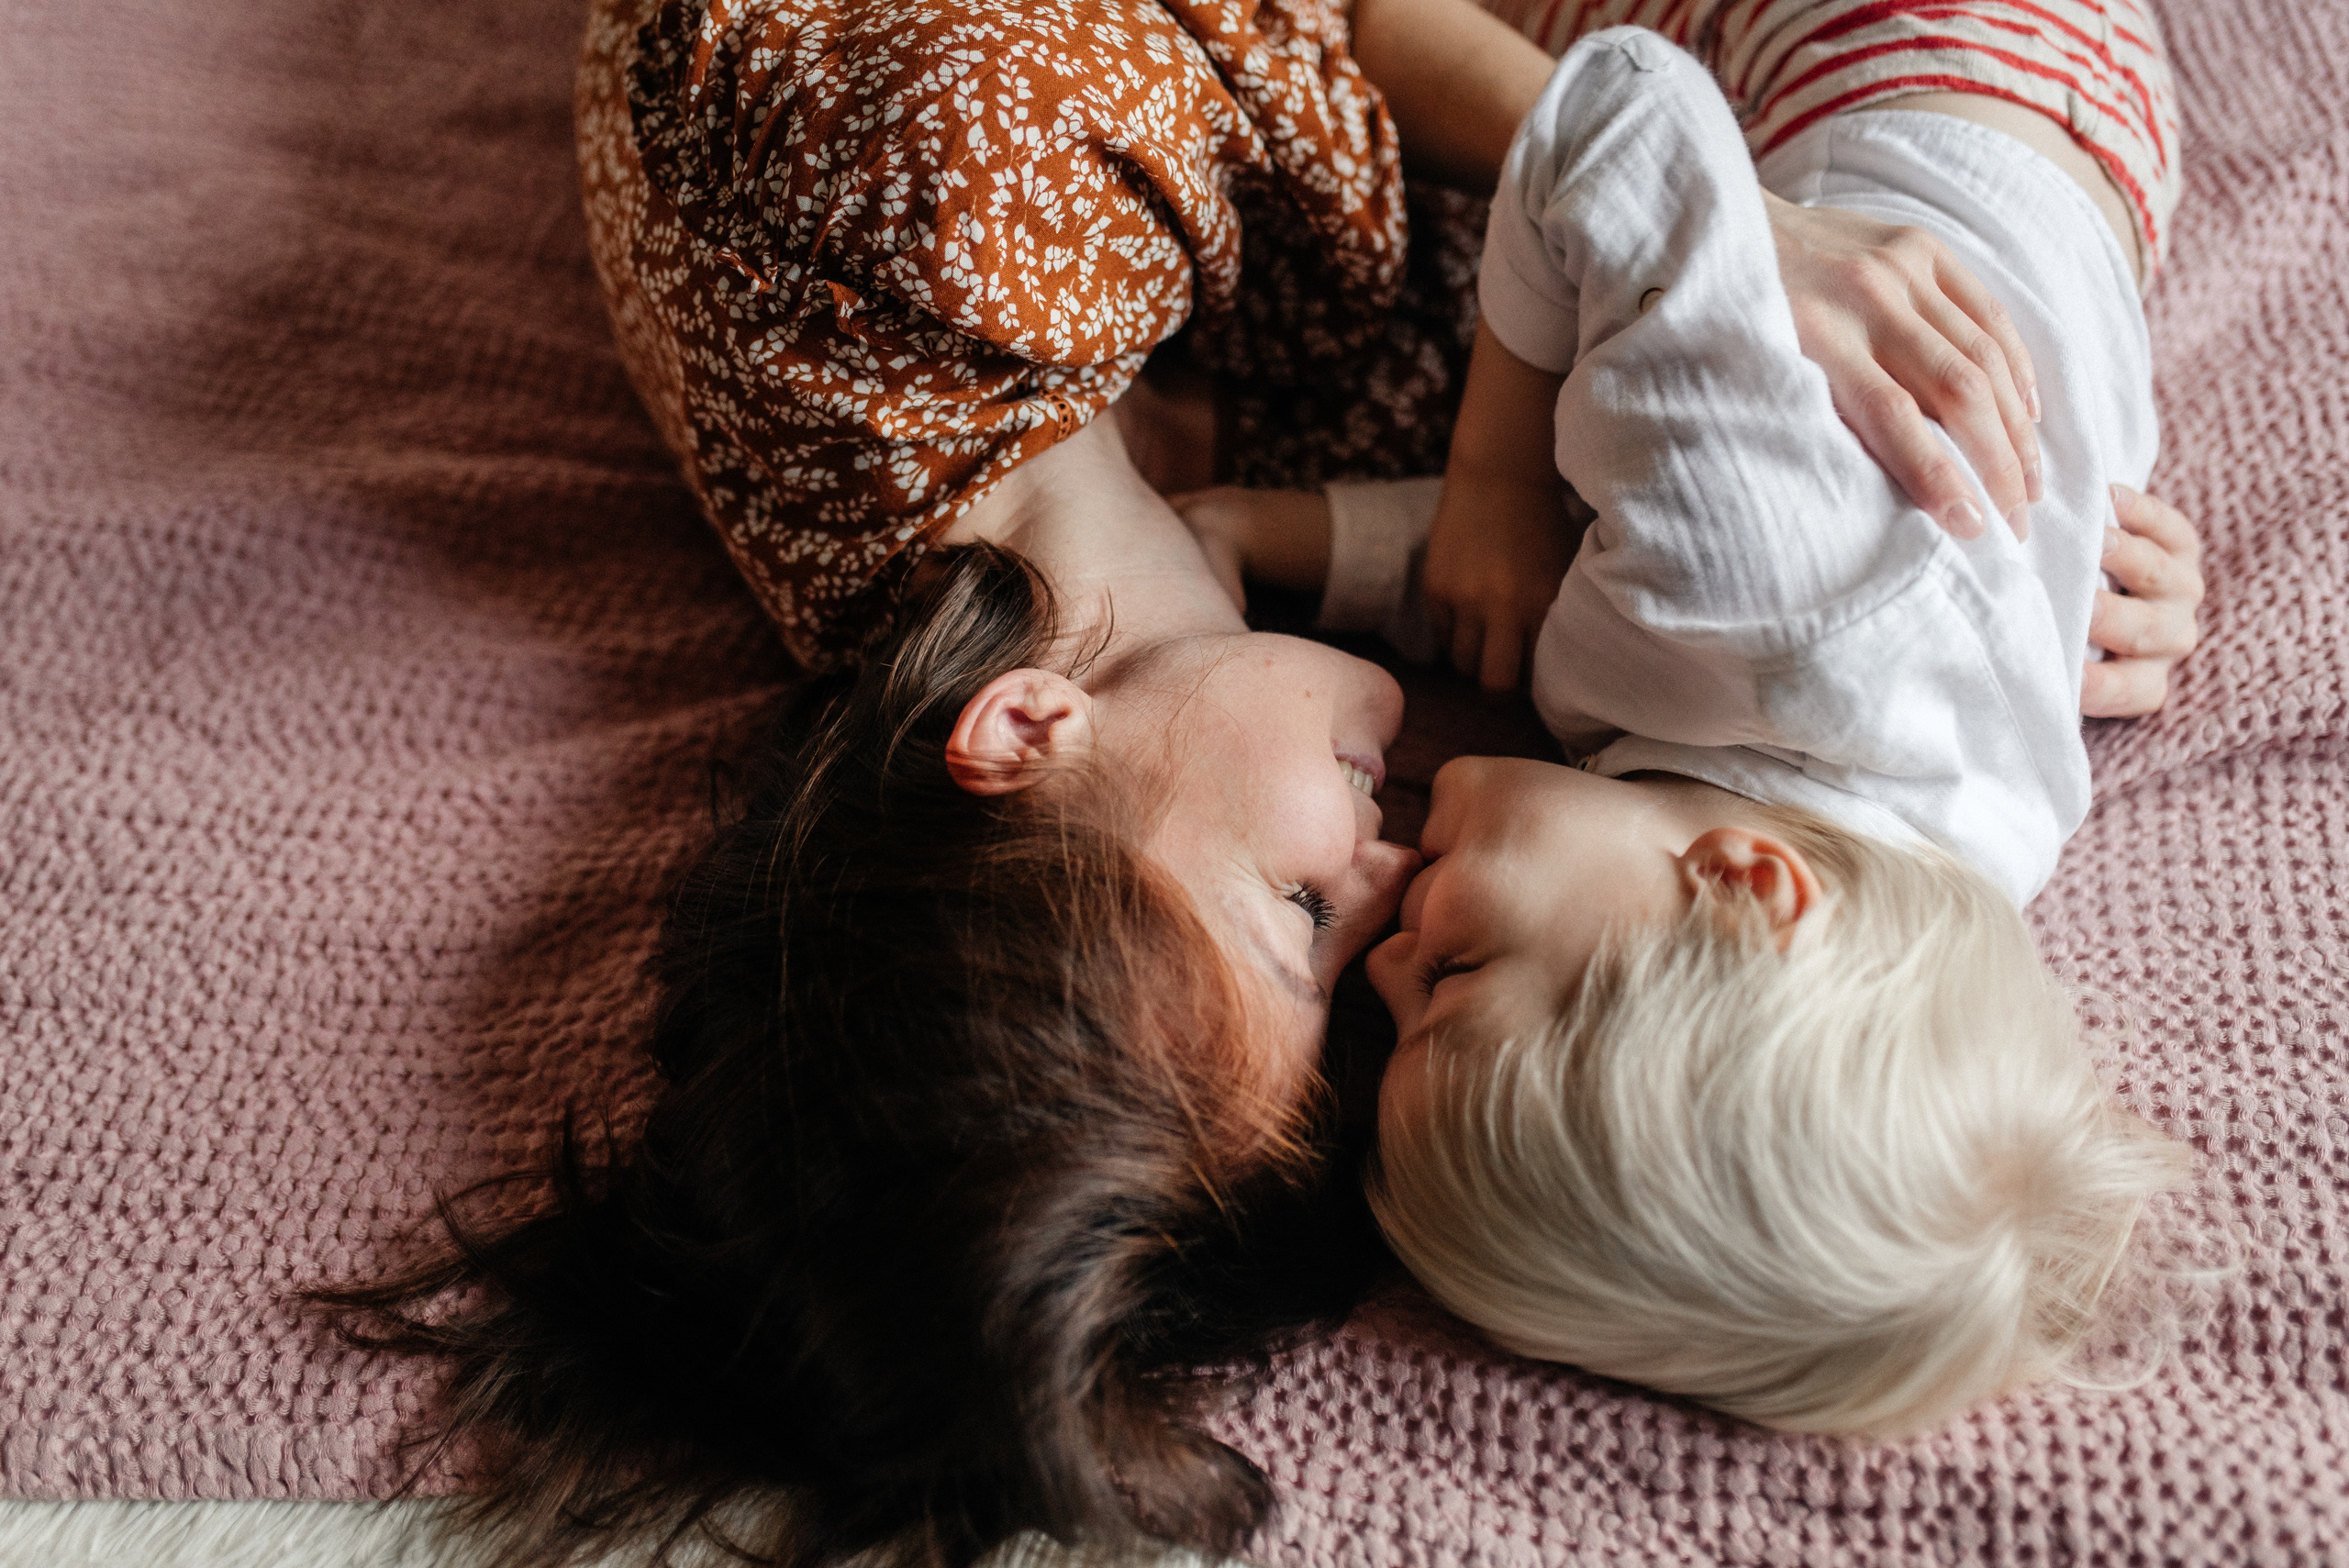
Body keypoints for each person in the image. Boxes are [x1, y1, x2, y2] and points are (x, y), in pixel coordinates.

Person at [316, 2, 2188, 1566]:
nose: (1390, 881)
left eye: (1300, 914)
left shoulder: (957, 197)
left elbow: (1400, 52)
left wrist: (1742, 237)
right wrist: (2040, 565)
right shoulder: (1108, 607)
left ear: (1023, 737)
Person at [1190, 27, 2202, 1434]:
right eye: (1459, 972)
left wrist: (1271, 537)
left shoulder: (1905, 856)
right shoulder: (1758, 594)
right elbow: (1618, 114)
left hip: (2090, 190)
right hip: (1940, 52)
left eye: (1398, 1003)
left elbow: (1561, 554)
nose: (1389, 954)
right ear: (1741, 884)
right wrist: (1488, 469)